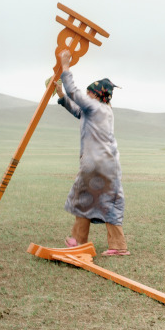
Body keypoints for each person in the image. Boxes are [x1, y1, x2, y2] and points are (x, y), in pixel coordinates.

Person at [55, 49, 130, 256]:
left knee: (83, 199)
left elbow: (74, 92)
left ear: (96, 94)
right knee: (106, 201)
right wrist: (61, 96)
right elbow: (77, 110)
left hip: (95, 164)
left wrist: (65, 66)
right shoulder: (104, 110)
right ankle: (118, 246)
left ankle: (79, 242)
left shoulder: (96, 107)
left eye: (90, 92)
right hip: (108, 165)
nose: (86, 95)